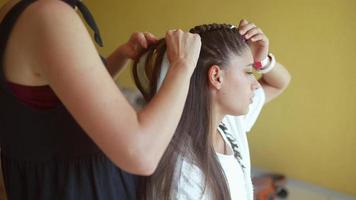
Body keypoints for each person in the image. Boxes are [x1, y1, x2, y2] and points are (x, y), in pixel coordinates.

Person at [0, 0, 201, 199]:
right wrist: (182, 65)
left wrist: (121, 55)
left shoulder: (16, 10)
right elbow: (141, 154)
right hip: (77, 188)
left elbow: (62, 93)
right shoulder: (49, 17)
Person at [133, 20, 291, 200]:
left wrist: (261, 61)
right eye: (248, 72)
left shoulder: (228, 122)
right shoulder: (185, 176)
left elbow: (280, 83)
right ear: (216, 77)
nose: (255, 84)